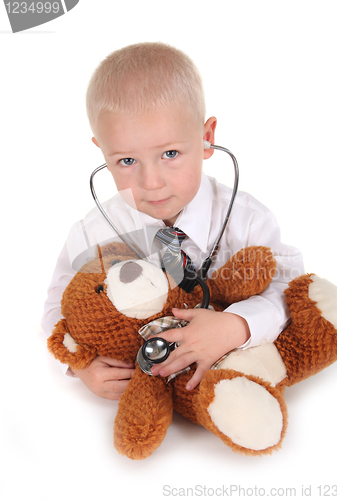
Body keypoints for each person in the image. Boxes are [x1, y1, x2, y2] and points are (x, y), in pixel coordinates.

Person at [41, 42, 304, 401]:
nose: (151, 182)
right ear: (102, 151)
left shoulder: (247, 220)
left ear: (206, 138)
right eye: (127, 161)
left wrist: (237, 325)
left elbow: (290, 290)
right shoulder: (94, 232)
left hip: (225, 370)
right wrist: (78, 365)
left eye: (170, 154)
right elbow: (58, 305)